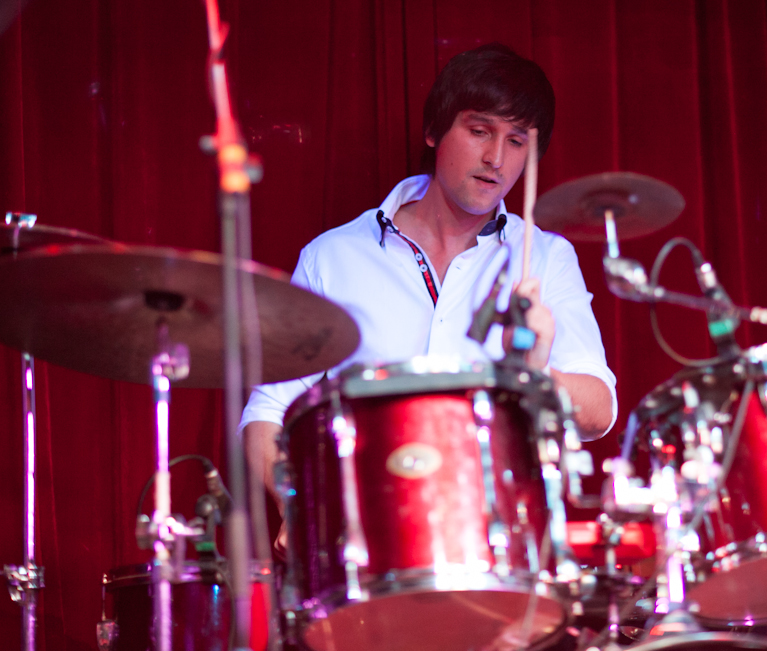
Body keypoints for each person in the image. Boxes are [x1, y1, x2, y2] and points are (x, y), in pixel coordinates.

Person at [241, 42, 616, 525]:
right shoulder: (332, 257)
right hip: (367, 536)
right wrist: (296, 509)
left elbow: (599, 411)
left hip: (496, 538)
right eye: (480, 131)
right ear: (434, 131)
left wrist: (535, 374)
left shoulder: (544, 257)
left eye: (516, 141)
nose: (496, 158)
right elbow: (269, 409)